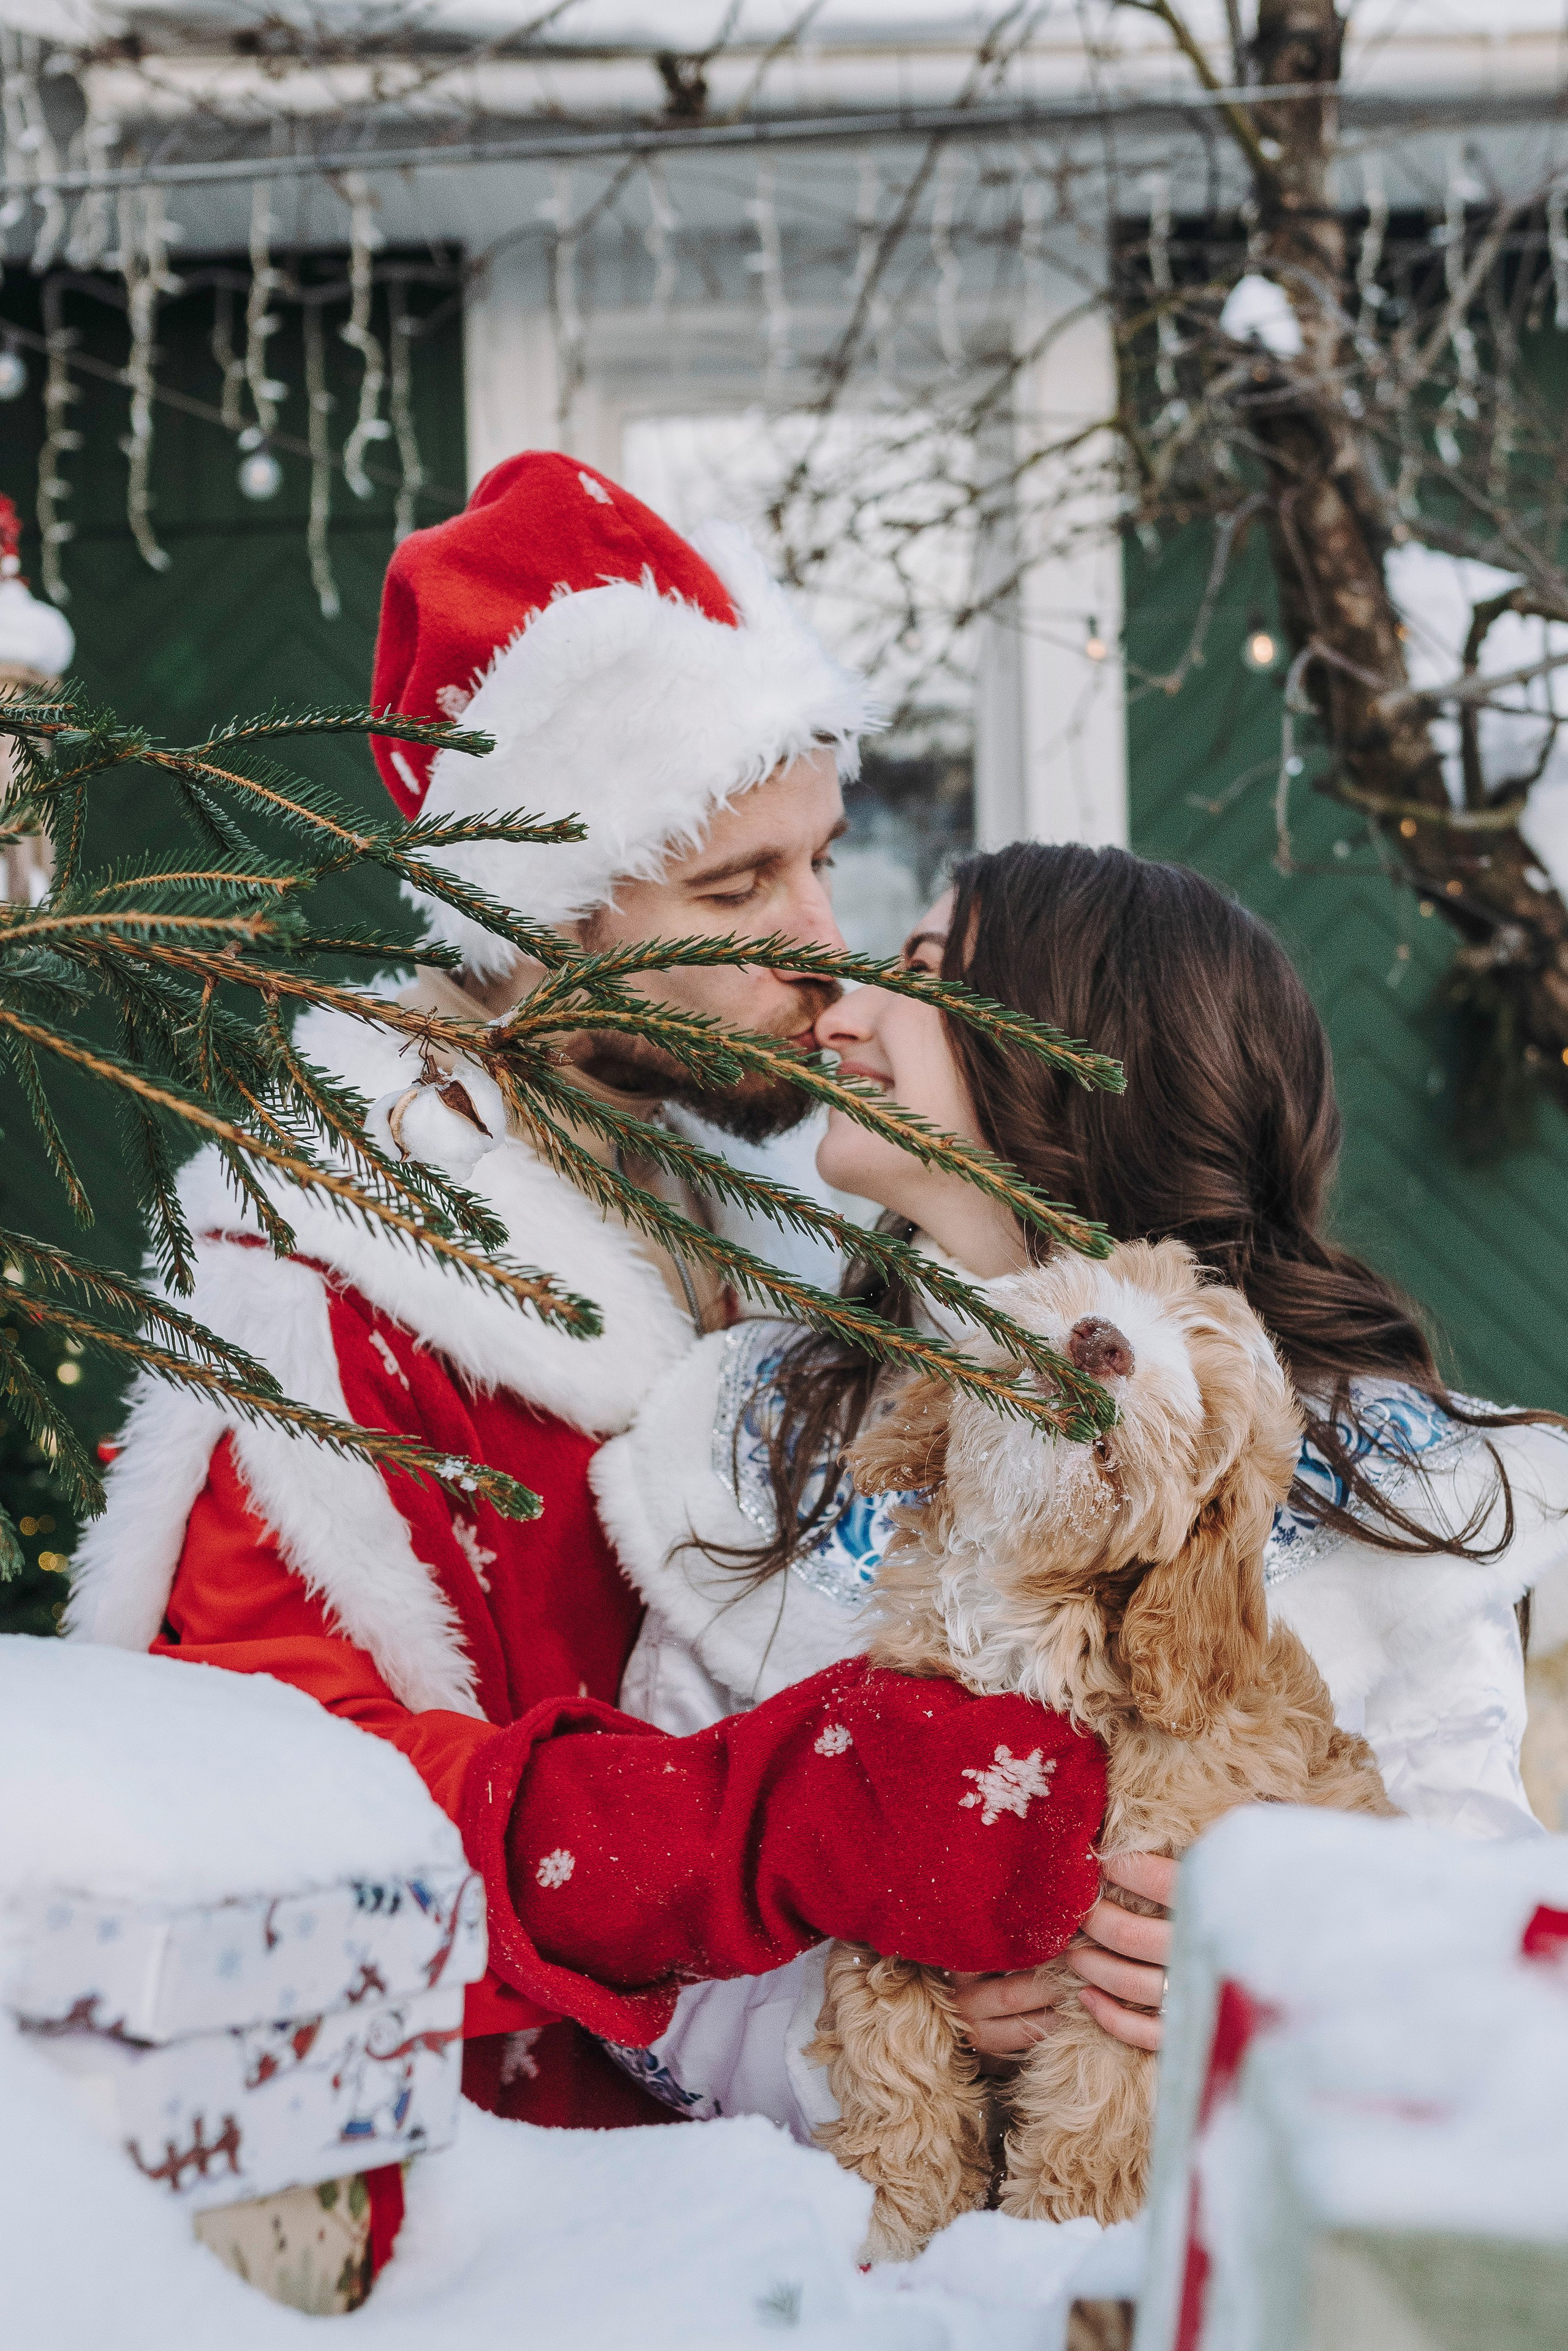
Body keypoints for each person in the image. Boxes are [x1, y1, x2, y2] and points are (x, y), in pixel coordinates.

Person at [65, 459, 1112, 2160]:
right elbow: (267, 1802)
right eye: (733, 890)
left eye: (826, 861)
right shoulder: (319, 1263)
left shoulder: (725, 1185)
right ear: (537, 911)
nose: (824, 947)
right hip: (500, 2196)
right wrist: (750, 1830)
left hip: (766, 2153)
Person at [594, 839, 1568, 2133]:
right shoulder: (770, 1433)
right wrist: (859, 2027)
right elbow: (641, 1920)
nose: (842, 1010)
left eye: (924, 972)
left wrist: (1293, 1977)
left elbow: (1489, 1930)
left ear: (1079, 1050)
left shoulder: (1356, 1476)